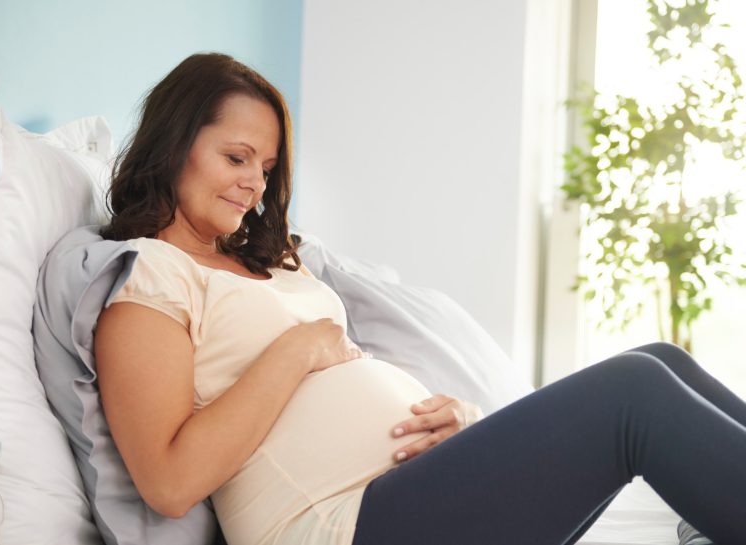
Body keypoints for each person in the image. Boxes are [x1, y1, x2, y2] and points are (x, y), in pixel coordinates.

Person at [94, 52, 745, 545]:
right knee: (633, 392)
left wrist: (462, 427)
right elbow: (169, 482)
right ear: (175, 144)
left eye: (264, 169)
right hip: (339, 522)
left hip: (408, 496)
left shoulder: (265, 259)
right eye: (236, 157)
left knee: (660, 358)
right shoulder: (152, 276)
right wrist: (297, 349)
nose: (254, 187)